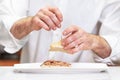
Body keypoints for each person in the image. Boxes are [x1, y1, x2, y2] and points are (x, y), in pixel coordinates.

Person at [0, 0, 120, 65]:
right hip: (31, 76)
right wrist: (29, 23)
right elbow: (4, 31)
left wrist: (94, 41)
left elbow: (116, 51)